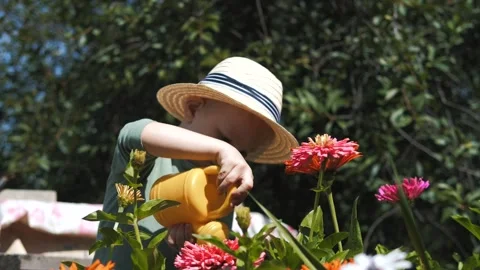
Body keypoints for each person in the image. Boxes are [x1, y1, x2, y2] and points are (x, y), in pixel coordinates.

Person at [93, 56, 299, 269]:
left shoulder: (224, 193)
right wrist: (222, 149)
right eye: (224, 139)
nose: (232, 158)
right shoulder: (146, 161)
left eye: (242, 153)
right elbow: (132, 133)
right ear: (192, 108)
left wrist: (195, 252)